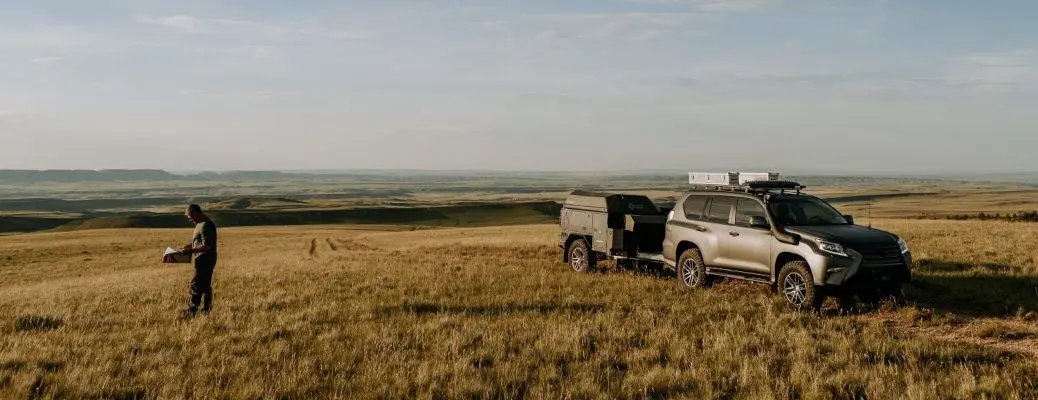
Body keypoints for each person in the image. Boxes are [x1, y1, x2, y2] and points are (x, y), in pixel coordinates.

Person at [179, 204, 218, 317]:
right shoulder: (200, 224)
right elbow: (199, 242)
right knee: (205, 285)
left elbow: (207, 246)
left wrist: (190, 251)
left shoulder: (206, 225)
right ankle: (206, 310)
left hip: (205, 260)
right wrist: (188, 246)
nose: (190, 220)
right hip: (202, 259)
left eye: (191, 217)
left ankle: (191, 310)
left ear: (197, 213)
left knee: (195, 285)